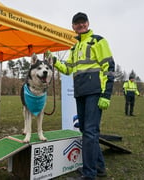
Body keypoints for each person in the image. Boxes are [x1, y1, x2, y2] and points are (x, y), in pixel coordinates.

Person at [48, 12, 115, 180]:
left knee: (90, 132)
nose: (80, 25)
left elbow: (109, 66)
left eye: (83, 22)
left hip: (94, 92)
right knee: (86, 131)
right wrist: (55, 62)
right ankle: (98, 167)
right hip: (80, 93)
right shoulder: (74, 47)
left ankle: (89, 174)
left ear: (88, 23)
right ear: (73, 27)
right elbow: (68, 69)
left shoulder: (98, 41)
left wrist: (106, 94)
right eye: (77, 23)